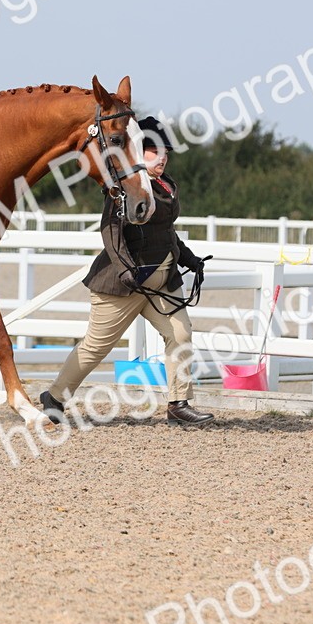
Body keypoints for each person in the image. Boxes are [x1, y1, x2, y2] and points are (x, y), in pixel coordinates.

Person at [40, 116, 216, 427]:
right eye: (154, 151)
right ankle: (54, 397)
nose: (161, 158)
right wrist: (124, 270)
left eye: (165, 152)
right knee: (96, 347)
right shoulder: (124, 187)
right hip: (123, 284)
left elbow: (166, 231)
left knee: (180, 333)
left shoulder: (166, 185)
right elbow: (111, 232)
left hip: (161, 281)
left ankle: (178, 403)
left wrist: (189, 259)